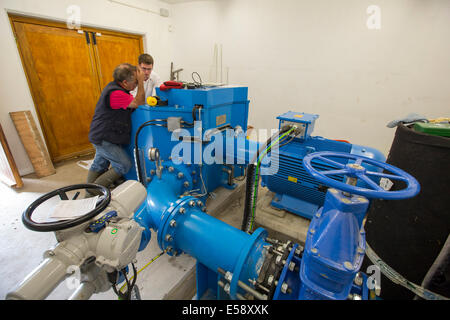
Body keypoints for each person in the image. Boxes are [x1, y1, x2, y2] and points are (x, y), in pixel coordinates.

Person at [86, 63, 145, 194]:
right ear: (124, 82)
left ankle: (87, 197)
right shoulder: (116, 93)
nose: (136, 85)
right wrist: (141, 83)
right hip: (104, 137)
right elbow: (139, 103)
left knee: (99, 165)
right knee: (124, 165)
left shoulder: (118, 89)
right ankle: (95, 191)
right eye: (135, 82)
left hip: (103, 135)